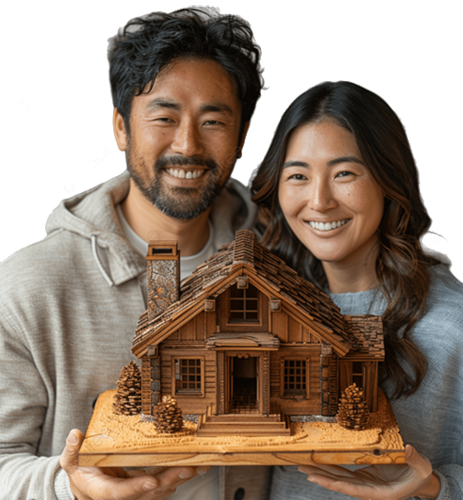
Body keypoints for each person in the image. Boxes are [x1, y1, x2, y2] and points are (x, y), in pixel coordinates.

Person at [0, 9, 269, 500]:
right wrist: (70, 488)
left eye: (213, 121)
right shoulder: (29, 288)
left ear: (242, 133)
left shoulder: (283, 251)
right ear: (122, 128)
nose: (187, 145)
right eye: (164, 118)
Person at [251, 81, 463, 500]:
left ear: (389, 181)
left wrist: (431, 487)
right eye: (298, 175)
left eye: (344, 173)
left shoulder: (461, 324)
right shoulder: (274, 305)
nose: (319, 200)